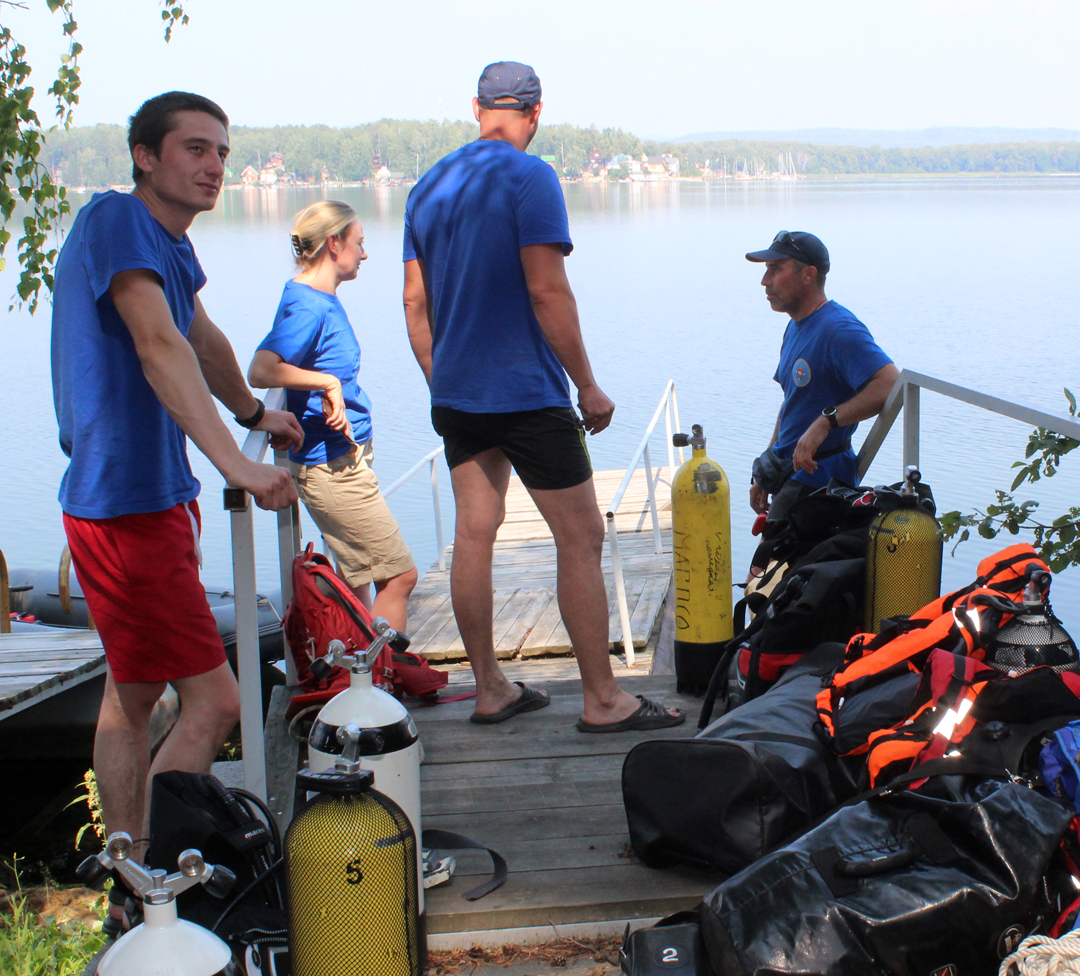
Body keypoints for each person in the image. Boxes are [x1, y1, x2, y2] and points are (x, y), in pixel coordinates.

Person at [51, 91, 303, 927]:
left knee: (131, 695)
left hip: (150, 498)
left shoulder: (168, 247)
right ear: (145, 156)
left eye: (222, 153)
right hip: (126, 508)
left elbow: (202, 340)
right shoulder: (118, 224)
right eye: (195, 148)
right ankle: (159, 888)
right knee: (216, 704)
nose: (213, 166)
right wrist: (237, 462)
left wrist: (251, 412)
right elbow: (157, 345)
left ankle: (127, 871)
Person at [402, 61, 684, 733]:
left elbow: (415, 303)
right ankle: (603, 699)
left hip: (459, 392)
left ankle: (491, 689)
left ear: (477, 108)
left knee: (475, 532)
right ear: (535, 113)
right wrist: (586, 381)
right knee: (580, 536)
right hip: (526, 391)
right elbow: (546, 289)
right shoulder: (531, 178)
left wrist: (443, 380)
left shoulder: (428, 187)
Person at [248, 201, 417, 631]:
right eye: (359, 243)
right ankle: (381, 684)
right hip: (333, 469)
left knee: (356, 582)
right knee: (398, 576)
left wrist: (324, 382)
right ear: (333, 243)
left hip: (344, 459)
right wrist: (327, 383)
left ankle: (358, 676)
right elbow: (262, 369)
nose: (364, 253)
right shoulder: (309, 306)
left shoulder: (314, 296)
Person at [745, 230, 899, 524]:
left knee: (761, 569)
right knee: (768, 567)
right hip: (790, 475)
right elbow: (793, 403)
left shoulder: (838, 329)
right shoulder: (795, 327)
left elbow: (890, 383)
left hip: (820, 485)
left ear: (808, 275)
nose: (765, 281)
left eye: (775, 270)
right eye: (766, 271)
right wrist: (768, 466)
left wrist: (826, 422)